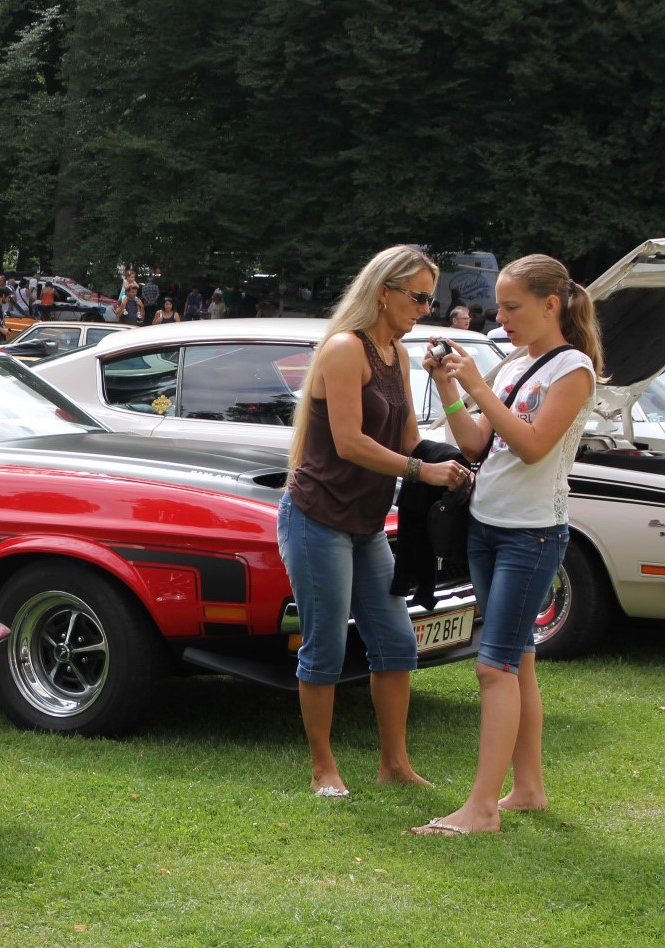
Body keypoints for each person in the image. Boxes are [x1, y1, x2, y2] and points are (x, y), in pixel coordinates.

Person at [413, 253, 601, 836]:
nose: (503, 317)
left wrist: (475, 382)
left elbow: (532, 446)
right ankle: (528, 789)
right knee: (517, 663)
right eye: (500, 305)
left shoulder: (573, 370)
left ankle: (482, 808)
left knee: (493, 669)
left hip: (532, 534)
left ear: (552, 305)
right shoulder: (520, 363)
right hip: (490, 526)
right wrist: (448, 387)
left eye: (513, 307)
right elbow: (475, 442)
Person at [279, 244, 468, 798]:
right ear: (382, 291)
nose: (423, 309)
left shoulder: (396, 354)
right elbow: (349, 442)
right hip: (316, 517)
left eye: (430, 299)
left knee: (395, 643)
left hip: (363, 524)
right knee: (326, 646)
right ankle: (323, 769)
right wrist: (420, 472)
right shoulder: (345, 349)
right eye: (416, 297)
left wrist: (453, 460)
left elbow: (409, 439)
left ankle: (394, 764)